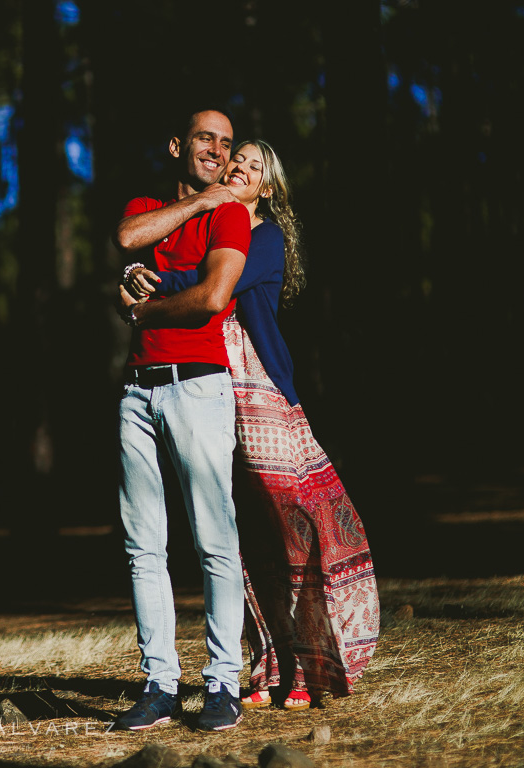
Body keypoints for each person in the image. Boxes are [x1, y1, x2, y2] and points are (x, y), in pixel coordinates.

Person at [124, 140, 380, 712]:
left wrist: (148, 284)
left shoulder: (262, 236)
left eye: (253, 166)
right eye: (235, 160)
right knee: (246, 539)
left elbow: (213, 286)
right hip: (215, 388)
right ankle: (268, 664)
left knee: (288, 523)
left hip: (259, 386)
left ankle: (313, 666)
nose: (238, 167)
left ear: (268, 188)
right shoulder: (215, 223)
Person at [109, 109, 250, 733]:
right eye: (204, 139)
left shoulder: (232, 214)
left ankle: (223, 684)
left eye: (225, 143)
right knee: (145, 546)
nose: (217, 151)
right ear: (177, 146)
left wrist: (147, 306)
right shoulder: (151, 204)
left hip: (198, 387)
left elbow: (214, 298)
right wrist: (195, 206)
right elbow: (127, 238)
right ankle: (160, 684)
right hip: (137, 394)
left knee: (214, 541)